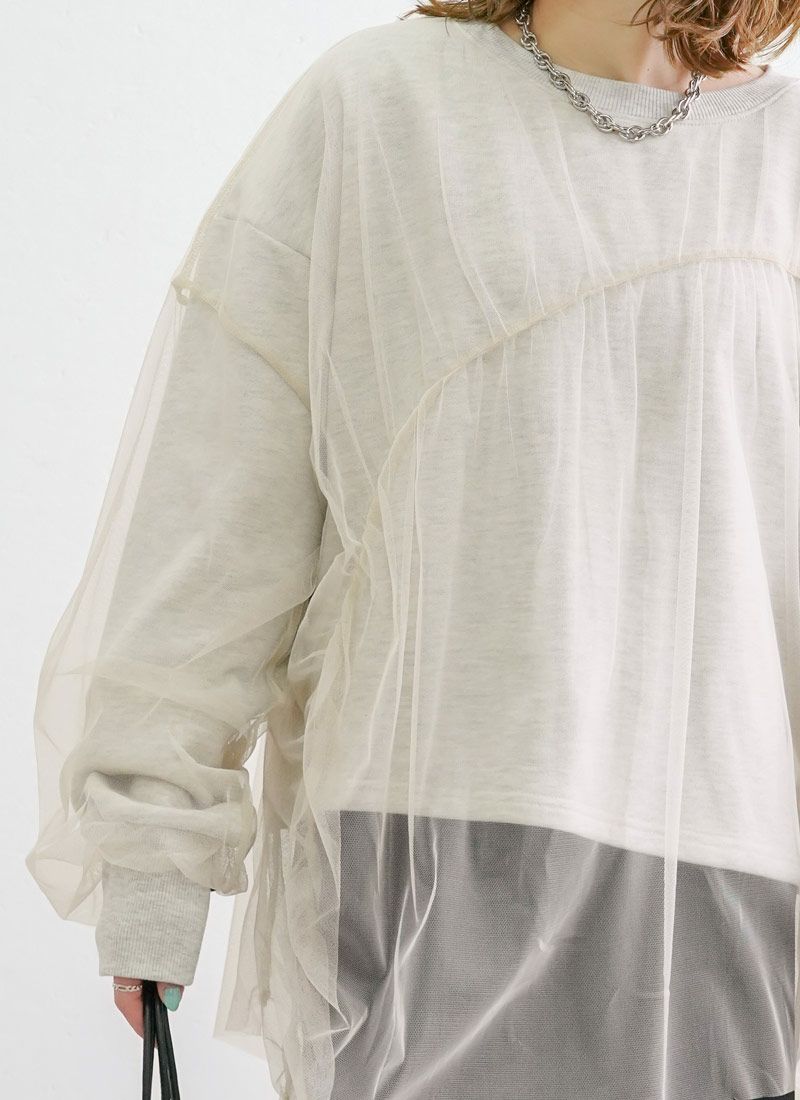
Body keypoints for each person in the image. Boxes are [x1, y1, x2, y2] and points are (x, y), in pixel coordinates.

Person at [26, 1, 800, 1097]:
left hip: (733, 868)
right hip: (435, 837)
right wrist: (156, 863)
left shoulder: (779, 154)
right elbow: (214, 501)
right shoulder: (383, 105)